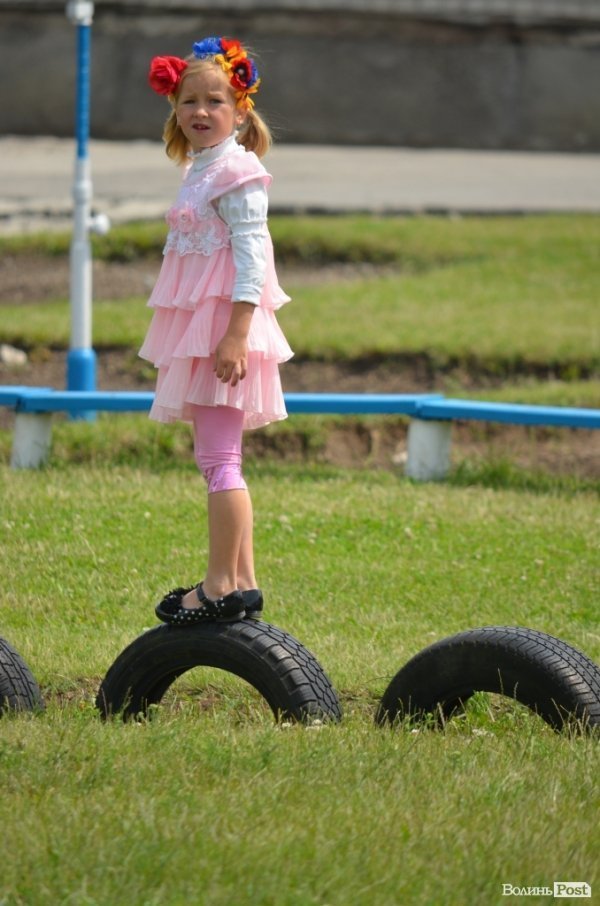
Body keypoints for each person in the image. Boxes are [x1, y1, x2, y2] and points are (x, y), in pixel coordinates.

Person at [139, 37, 292, 625]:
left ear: (241, 109)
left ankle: (220, 583)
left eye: (216, 101)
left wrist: (235, 335)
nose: (200, 112)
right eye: (188, 101)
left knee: (220, 461)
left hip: (225, 329)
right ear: (174, 108)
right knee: (219, 459)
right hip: (205, 328)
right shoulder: (201, 168)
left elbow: (254, 257)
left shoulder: (237, 170)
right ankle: (243, 583)